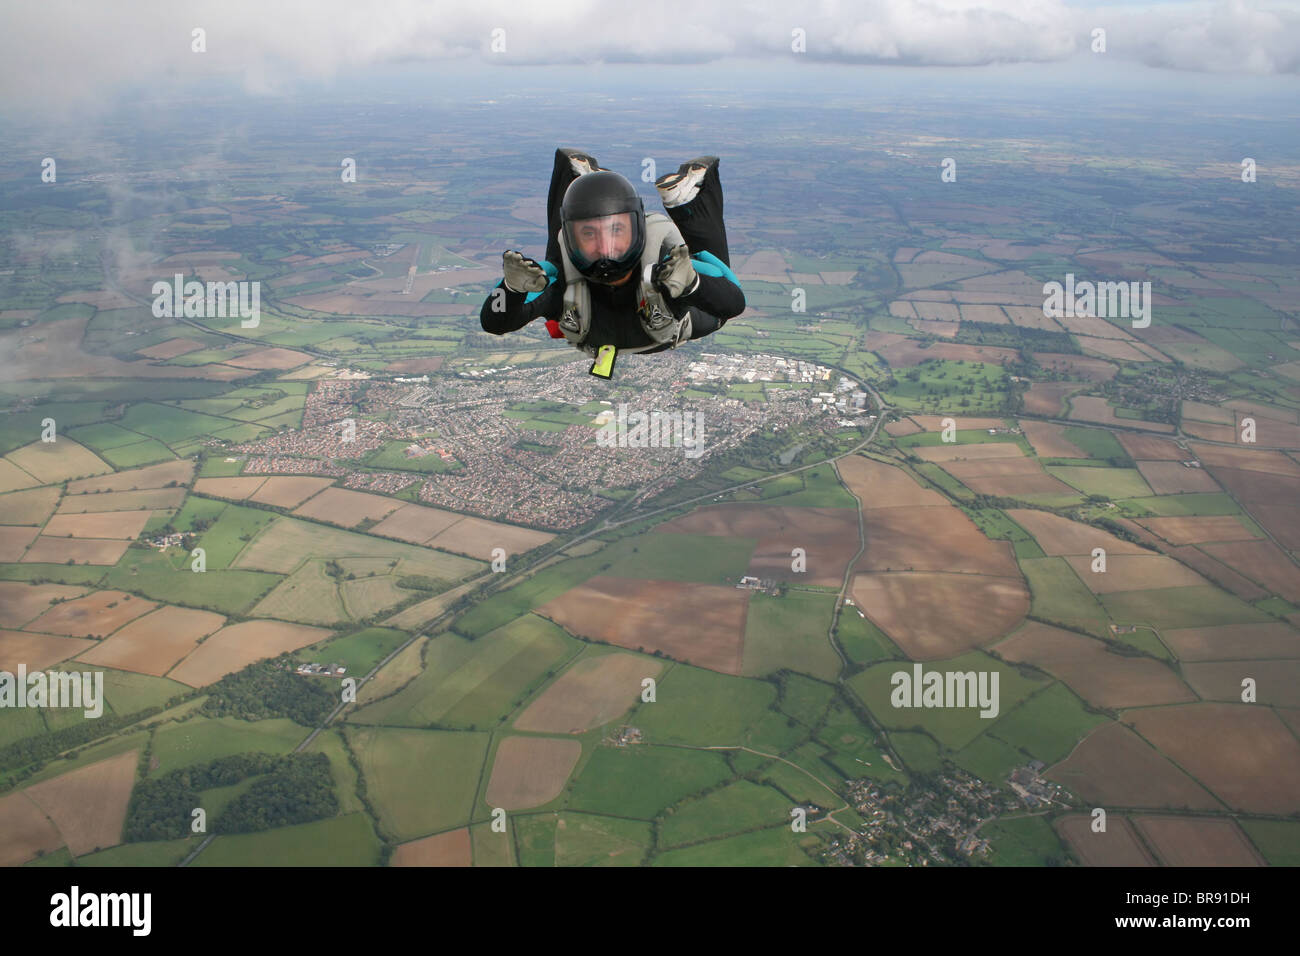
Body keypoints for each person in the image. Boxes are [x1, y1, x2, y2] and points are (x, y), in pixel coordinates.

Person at [480, 148, 745, 377]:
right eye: (588, 234)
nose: (604, 247)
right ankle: (687, 199)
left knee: (710, 295)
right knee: (560, 262)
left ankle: (689, 198)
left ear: (636, 228)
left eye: (616, 231)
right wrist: (512, 290)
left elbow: (731, 301)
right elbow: (495, 323)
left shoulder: (665, 275)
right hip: (641, 333)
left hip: (664, 328)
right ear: (573, 237)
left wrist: (692, 283)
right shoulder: (559, 284)